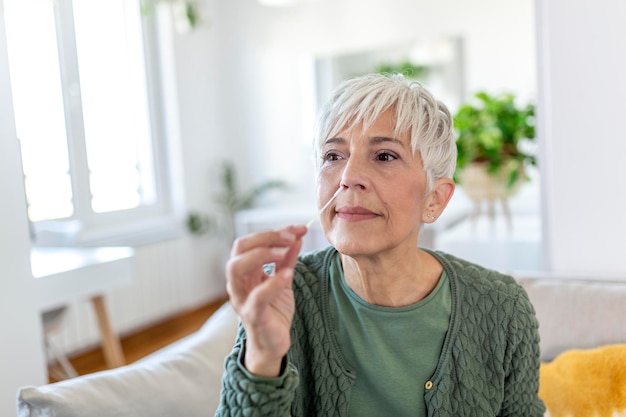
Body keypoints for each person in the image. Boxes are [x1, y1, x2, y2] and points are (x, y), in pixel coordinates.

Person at [215, 73, 545, 417]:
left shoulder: (504, 309)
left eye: (384, 156)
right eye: (333, 156)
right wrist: (264, 358)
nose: (348, 177)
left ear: (434, 199)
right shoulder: (283, 293)